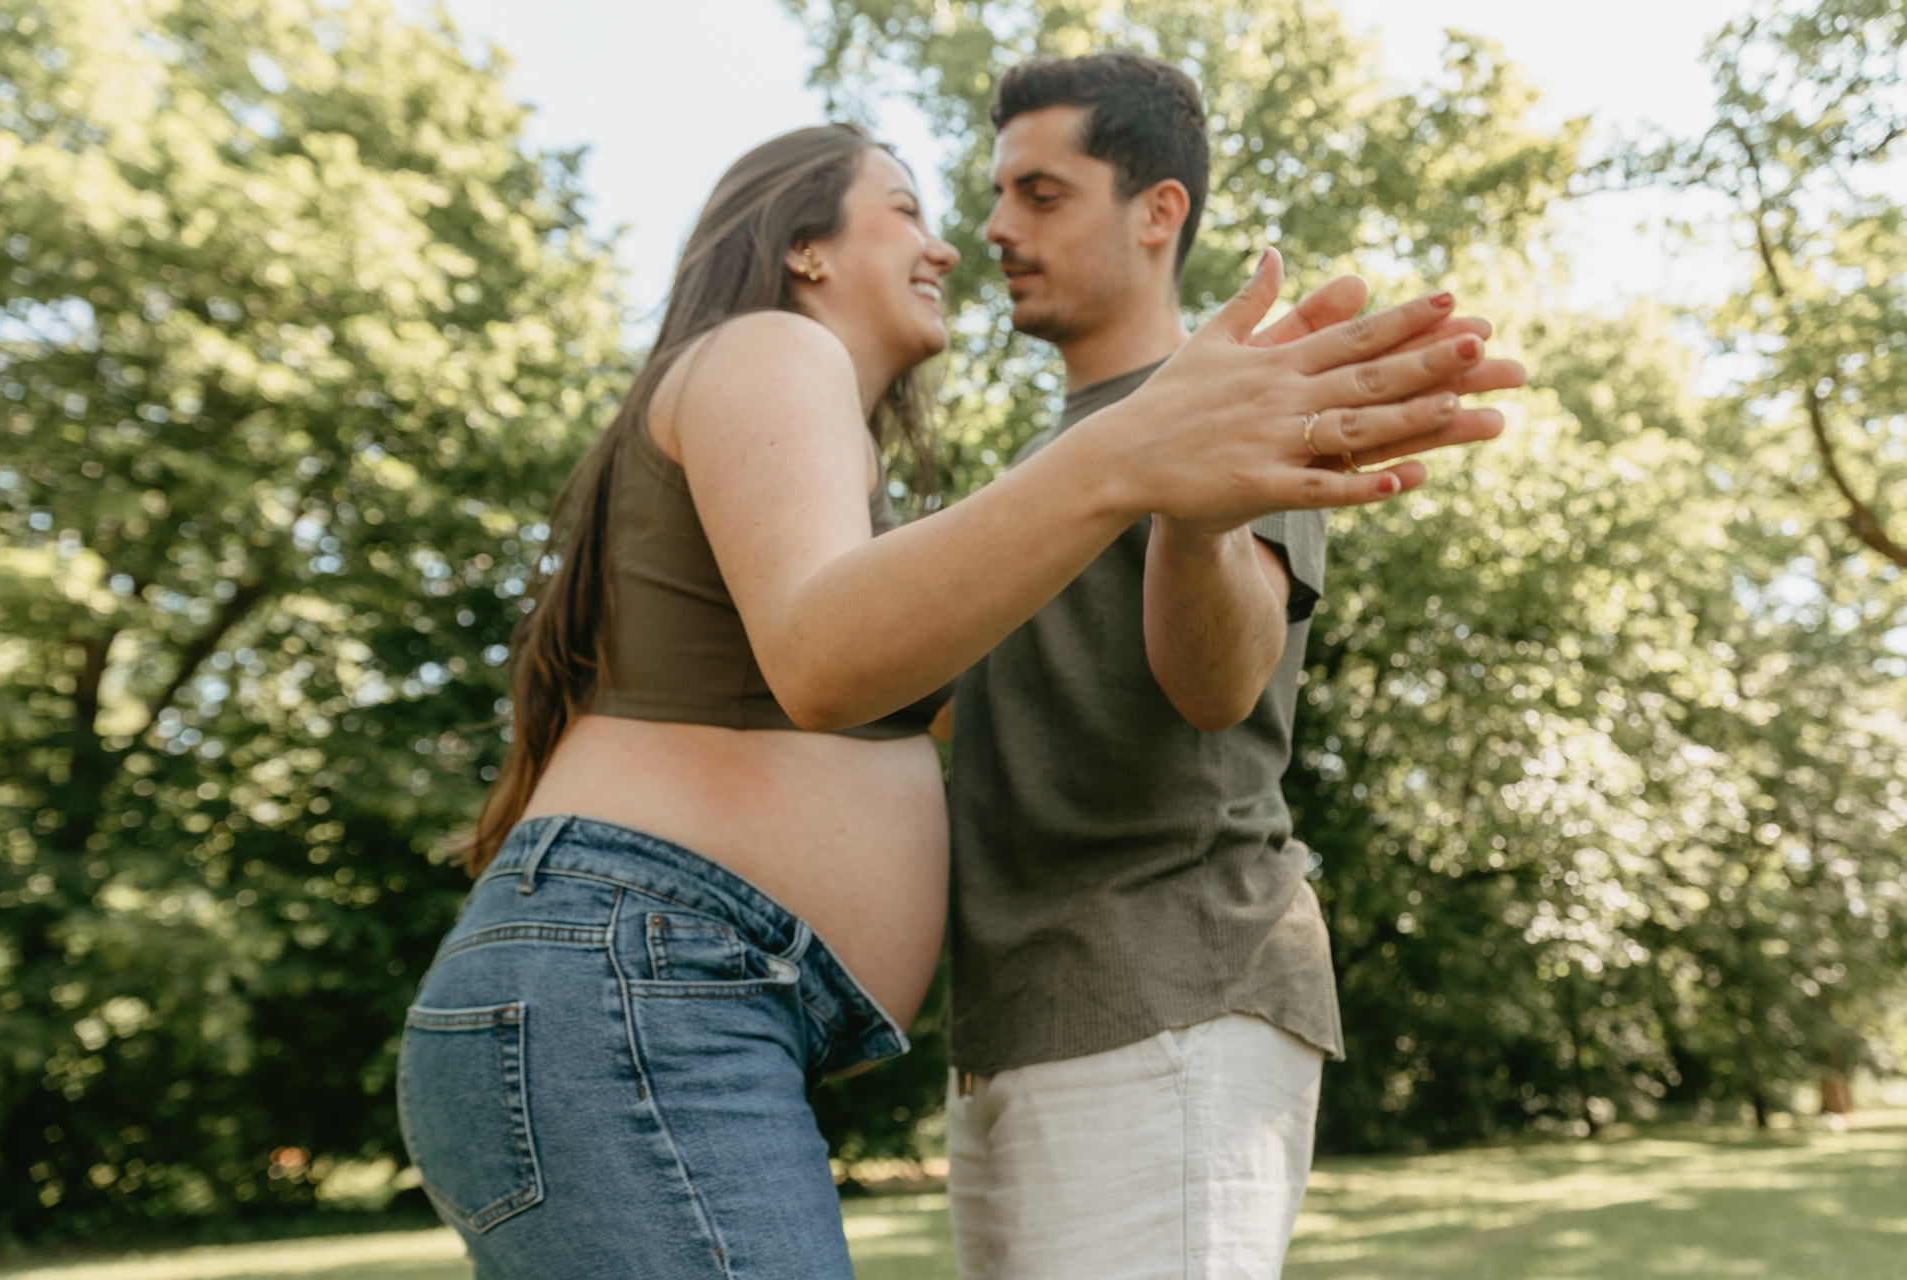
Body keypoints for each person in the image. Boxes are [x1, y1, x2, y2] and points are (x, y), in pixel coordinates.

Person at [394, 119, 1513, 1278]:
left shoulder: (815, 462)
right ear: (806, 249)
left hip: (654, 985)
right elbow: (822, 662)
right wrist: (1130, 453)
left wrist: (1187, 493)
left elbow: (1048, 684)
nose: (952, 246)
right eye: (907, 210)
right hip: (644, 980)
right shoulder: (776, 346)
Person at [942, 53, 1526, 1280]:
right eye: (997, 194)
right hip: (1019, 1026)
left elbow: (1222, 684)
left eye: (1041, 194)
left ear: (1160, 211)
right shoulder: (1041, 466)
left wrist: (1194, 510)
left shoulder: (1235, 408)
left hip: (1169, 996)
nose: (995, 227)